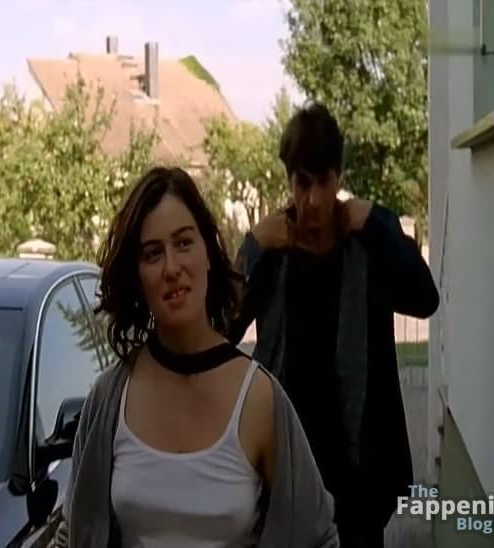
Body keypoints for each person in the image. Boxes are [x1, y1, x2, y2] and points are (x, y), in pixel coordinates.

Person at [55, 166, 339, 548]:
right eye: (153, 253)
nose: (172, 268)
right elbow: (72, 533)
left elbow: (318, 538)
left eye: (184, 243)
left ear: (208, 252)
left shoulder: (259, 399)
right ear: (137, 274)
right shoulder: (110, 399)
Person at [227, 103, 440, 547]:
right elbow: (219, 330)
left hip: (359, 474)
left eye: (324, 182)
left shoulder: (365, 242)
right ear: (289, 179)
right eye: (302, 183)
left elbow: (425, 299)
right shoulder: (274, 249)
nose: (313, 200)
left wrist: (380, 223)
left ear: (338, 177)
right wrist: (251, 248)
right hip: (288, 469)